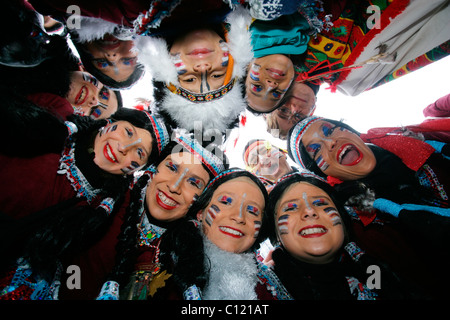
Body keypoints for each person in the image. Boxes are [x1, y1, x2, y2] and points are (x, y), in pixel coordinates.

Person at [0, 108, 171, 300]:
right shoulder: (51, 132)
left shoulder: (105, 214)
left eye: (139, 152)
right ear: (109, 122)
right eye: (128, 132)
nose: (124, 147)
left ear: (135, 170)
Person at [287, 116, 450, 297]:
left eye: (330, 130)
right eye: (316, 150)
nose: (331, 142)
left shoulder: (419, 142)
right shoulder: (360, 227)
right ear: (323, 172)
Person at [92, 135, 228, 300]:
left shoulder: (191, 254)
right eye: (171, 168)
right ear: (153, 169)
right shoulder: (109, 204)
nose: (174, 186)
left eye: (193, 183)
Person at [265, 171, 424, 299]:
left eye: (321, 203)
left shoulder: (376, 265)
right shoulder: (261, 291)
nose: (309, 211)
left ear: (342, 218)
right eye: (291, 208)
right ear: (276, 235)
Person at [136, 5, 253, 138]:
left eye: (190, 79)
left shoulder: (134, 14)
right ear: (234, 58)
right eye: (217, 75)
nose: (203, 68)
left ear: (165, 65)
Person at [186, 168, 287, 300]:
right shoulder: (159, 257)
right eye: (226, 202)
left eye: (252, 211)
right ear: (200, 213)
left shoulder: (271, 290)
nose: (239, 217)